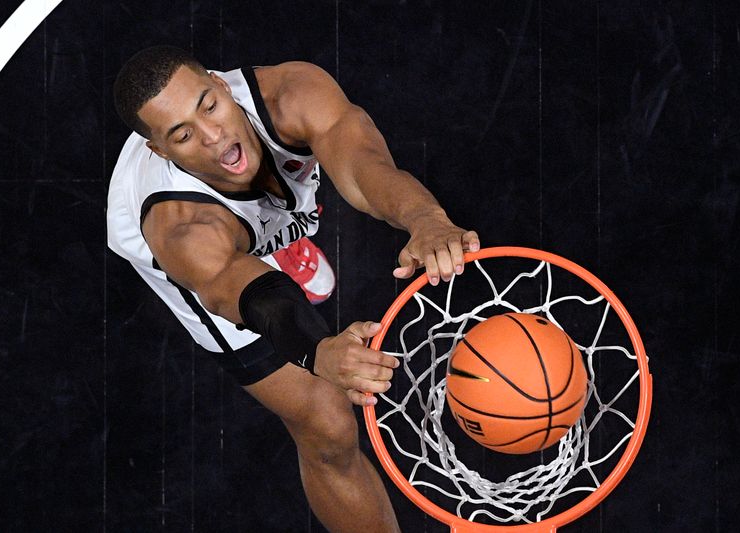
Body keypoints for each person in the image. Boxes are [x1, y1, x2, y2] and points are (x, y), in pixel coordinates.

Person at [107, 45, 479, 532]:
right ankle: (269, 242)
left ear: (221, 84)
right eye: (182, 135)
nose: (213, 135)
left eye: (209, 106)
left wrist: (425, 219)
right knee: (326, 422)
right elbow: (240, 291)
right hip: (213, 265)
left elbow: (366, 170)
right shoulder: (178, 229)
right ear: (161, 151)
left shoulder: (291, 94)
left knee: (279, 211)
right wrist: (317, 349)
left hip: (244, 221)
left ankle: (278, 235)